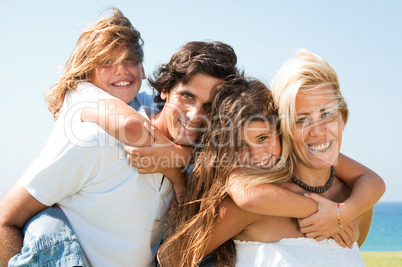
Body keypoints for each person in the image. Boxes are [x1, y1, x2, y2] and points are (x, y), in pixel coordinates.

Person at [0, 7, 239, 267]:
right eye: (187, 96)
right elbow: (5, 220)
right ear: (165, 90)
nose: (194, 115)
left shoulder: (204, 158)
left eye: (210, 105)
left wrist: (180, 165)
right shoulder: (93, 139)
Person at [157, 53, 385, 266]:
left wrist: (339, 213)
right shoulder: (255, 201)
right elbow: (171, 257)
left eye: (326, 114)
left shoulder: (356, 202)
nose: (318, 132)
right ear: (284, 128)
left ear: (343, 117)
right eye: (301, 119)